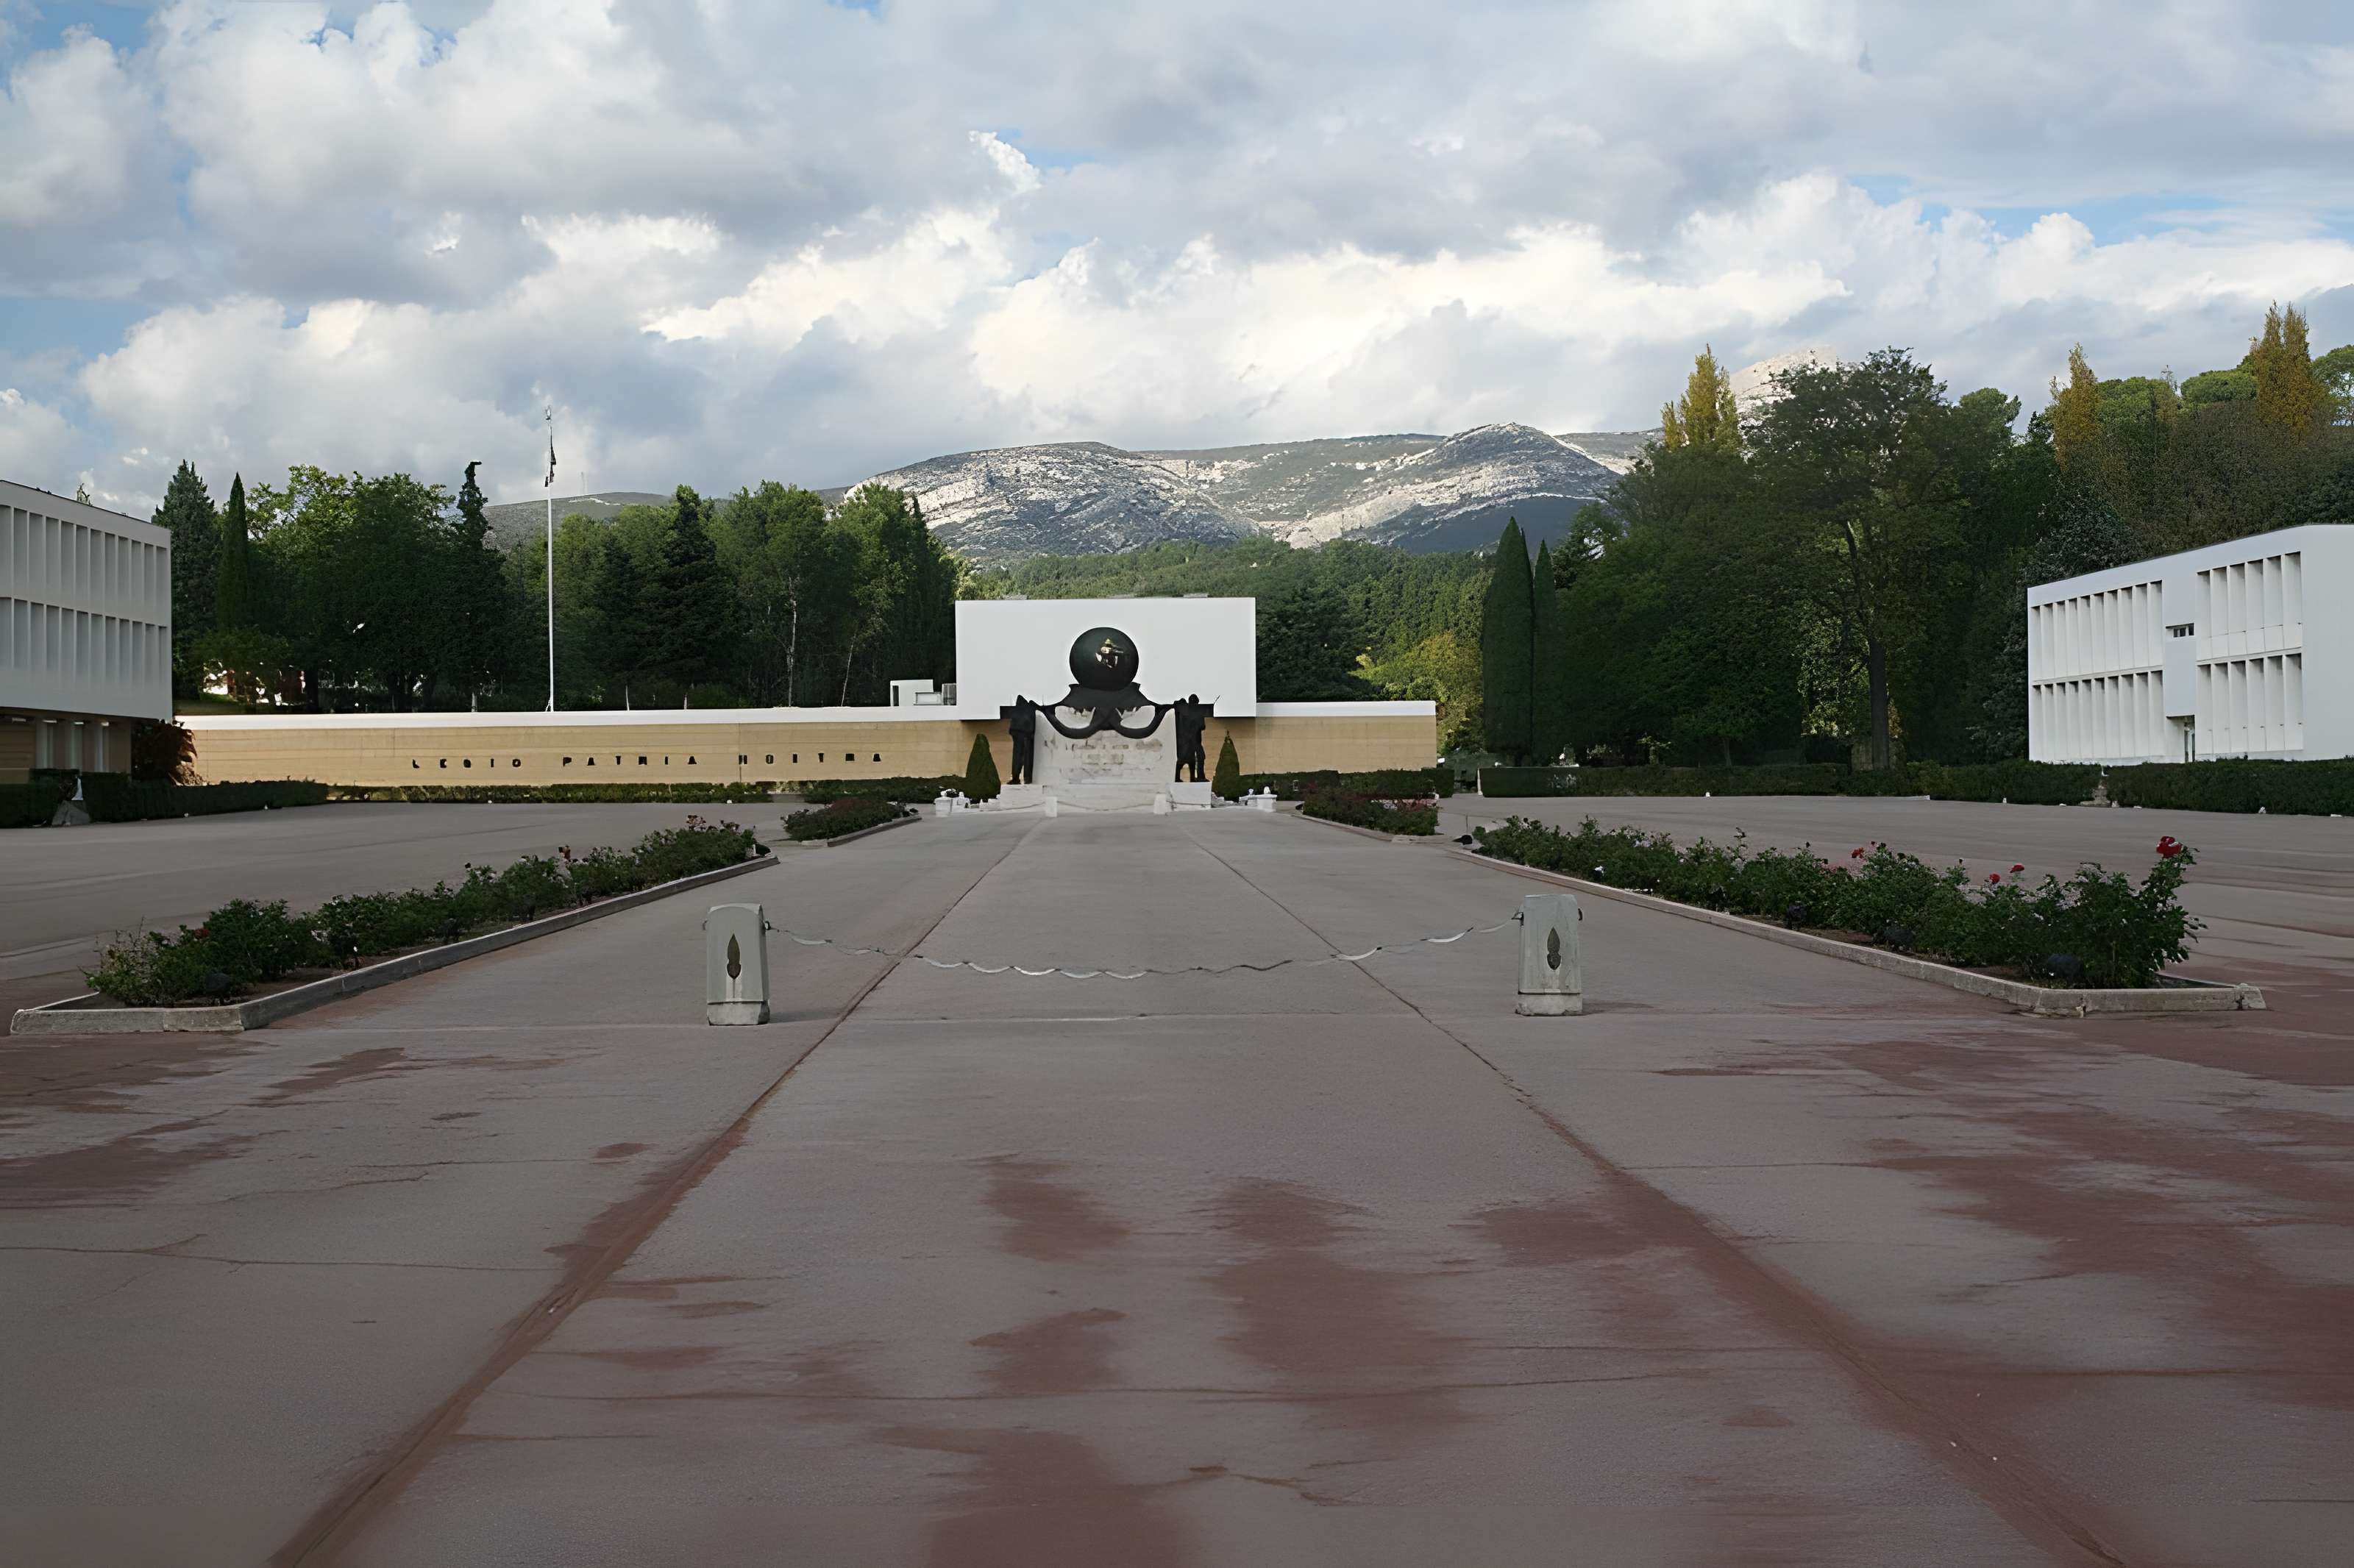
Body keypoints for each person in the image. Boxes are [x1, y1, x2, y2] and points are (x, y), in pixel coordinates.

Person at [1174, 694, 1208, 783]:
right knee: (1184, 759)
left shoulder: (1198, 713)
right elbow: (1183, 726)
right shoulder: (1186, 713)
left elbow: (1203, 726)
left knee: (1200, 757)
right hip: (1189, 740)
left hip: (1195, 740)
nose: (1194, 704)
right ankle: (1178, 777)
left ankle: (1200, 777)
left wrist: (1196, 725)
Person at [1008, 697, 1037, 785]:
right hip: (1025, 733)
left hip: (1020, 733)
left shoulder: (1019, 709)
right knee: (1025, 756)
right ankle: (1026, 778)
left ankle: (1018, 777)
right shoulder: (1029, 708)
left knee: (1019, 756)